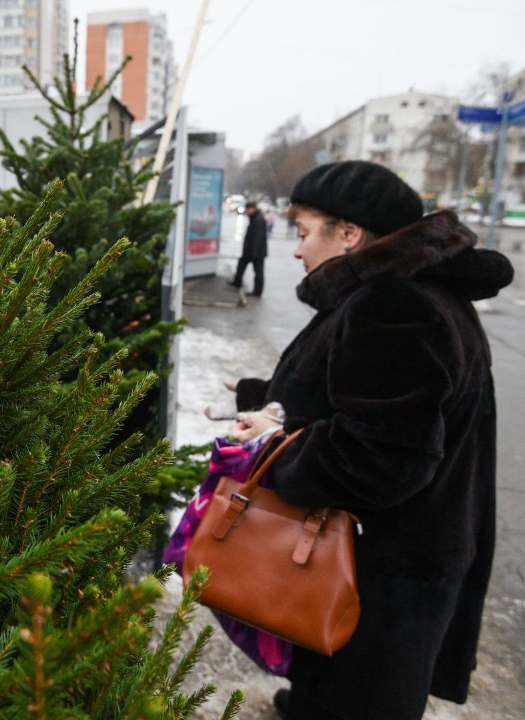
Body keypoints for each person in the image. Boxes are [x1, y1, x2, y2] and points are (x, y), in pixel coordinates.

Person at [218, 161, 514, 719]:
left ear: (349, 233)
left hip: (380, 582)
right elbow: (364, 398)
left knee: (352, 700)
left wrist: (278, 445)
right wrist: (262, 397)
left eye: (305, 232)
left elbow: (380, 458)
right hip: (389, 567)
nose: (296, 249)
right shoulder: (413, 293)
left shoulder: (393, 306)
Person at [228, 201, 268, 297]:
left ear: (252, 208)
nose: (247, 211)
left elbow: (258, 237)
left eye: (248, 209)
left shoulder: (258, 220)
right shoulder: (255, 218)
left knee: (258, 272)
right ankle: (237, 282)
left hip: (255, 252)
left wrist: (254, 251)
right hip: (252, 251)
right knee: (243, 265)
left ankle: (257, 291)